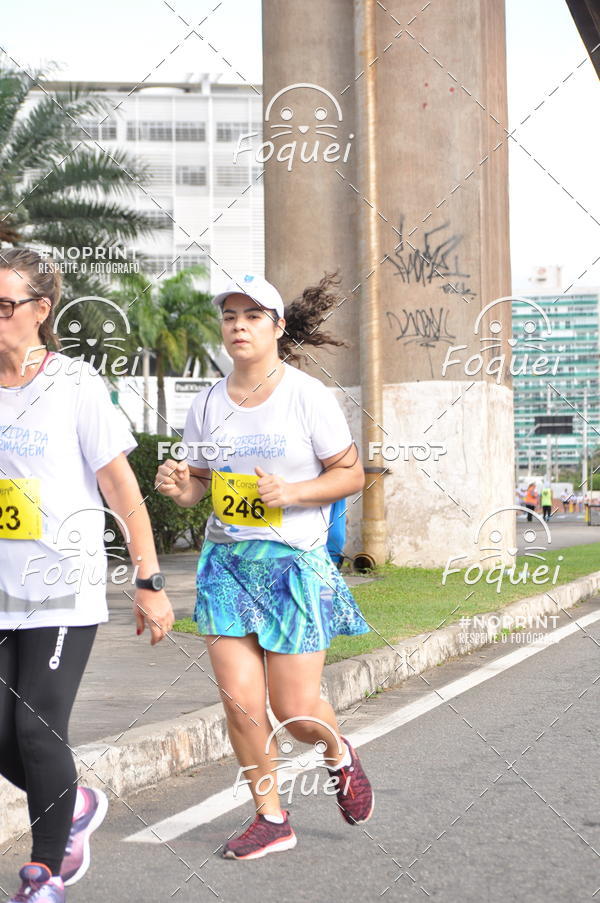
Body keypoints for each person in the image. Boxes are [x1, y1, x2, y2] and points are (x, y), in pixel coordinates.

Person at [155, 273, 374, 861]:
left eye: (253, 316)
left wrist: (296, 493)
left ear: (277, 327)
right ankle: (271, 817)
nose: (239, 325)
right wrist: (180, 486)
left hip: (293, 566)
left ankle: (338, 755)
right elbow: (199, 486)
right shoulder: (206, 402)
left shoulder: (307, 396)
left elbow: (350, 474)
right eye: (230, 316)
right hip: (226, 564)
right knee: (242, 702)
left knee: (296, 711)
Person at [0, 249, 175, 902]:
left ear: (41, 311)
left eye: (5, 305)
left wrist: (150, 579)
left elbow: (120, 486)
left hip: (60, 588)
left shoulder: (74, 384)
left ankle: (46, 872)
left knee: (35, 727)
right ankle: (72, 805)